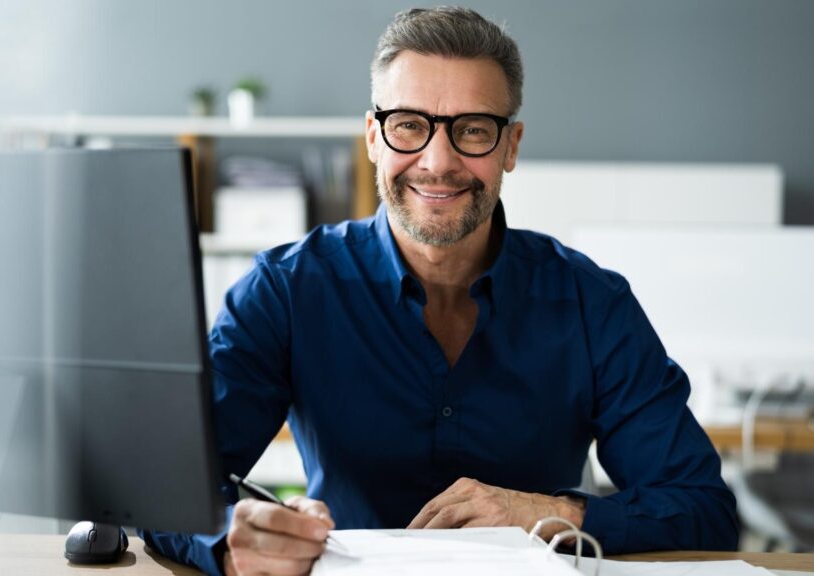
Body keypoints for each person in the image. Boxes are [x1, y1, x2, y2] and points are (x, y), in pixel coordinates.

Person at [143, 7, 738, 576]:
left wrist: (549, 513)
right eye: (409, 125)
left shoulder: (591, 302)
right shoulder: (287, 289)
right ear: (373, 137)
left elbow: (702, 509)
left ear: (511, 146)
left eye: (473, 130)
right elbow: (164, 489)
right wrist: (232, 541)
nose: (437, 161)